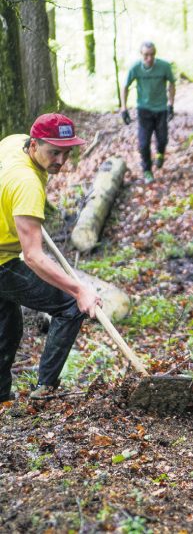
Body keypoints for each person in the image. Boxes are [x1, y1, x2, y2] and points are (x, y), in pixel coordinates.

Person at [0, 113, 102, 402]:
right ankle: (44, 389)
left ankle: (1, 398)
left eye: (66, 152)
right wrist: (79, 289)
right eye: (53, 152)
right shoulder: (27, 184)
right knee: (70, 306)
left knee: (7, 326)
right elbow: (32, 256)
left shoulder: (13, 143)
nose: (60, 160)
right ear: (34, 145)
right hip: (1, 261)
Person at [120, 41, 176, 184]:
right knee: (144, 143)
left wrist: (171, 104)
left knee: (162, 139)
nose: (149, 58)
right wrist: (124, 108)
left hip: (161, 109)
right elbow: (125, 86)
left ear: (155, 54)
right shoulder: (135, 68)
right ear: (141, 55)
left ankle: (160, 154)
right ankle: (147, 170)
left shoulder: (164, 66)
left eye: (151, 55)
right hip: (144, 110)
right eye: (146, 55)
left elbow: (172, 83)